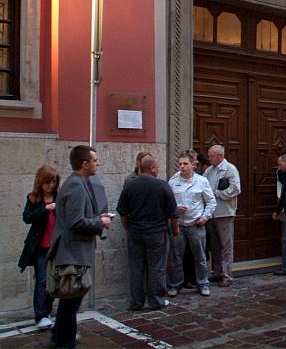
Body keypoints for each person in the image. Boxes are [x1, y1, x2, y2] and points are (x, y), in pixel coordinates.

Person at [48, 146, 111, 349]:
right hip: (72, 253)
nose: (97, 163)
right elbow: (76, 222)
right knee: (71, 303)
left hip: (72, 251)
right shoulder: (76, 186)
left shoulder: (77, 183)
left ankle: (59, 337)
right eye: (95, 160)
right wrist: (100, 221)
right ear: (84, 164)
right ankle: (65, 343)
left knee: (69, 302)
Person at [117, 156, 179, 311]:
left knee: (137, 268)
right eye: (157, 167)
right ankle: (156, 300)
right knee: (157, 267)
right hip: (157, 233)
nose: (158, 169)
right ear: (152, 169)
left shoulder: (130, 186)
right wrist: (175, 230)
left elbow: (123, 213)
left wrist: (128, 228)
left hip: (136, 232)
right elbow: (174, 213)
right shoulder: (162, 186)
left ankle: (136, 302)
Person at [167, 151, 216, 297]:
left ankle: (203, 283)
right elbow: (168, 203)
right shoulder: (173, 181)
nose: (182, 167)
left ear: (193, 165)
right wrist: (175, 209)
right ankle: (175, 284)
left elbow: (211, 202)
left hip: (196, 224)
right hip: (179, 224)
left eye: (185, 164)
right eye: (180, 164)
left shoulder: (202, 181)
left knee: (200, 256)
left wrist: (205, 217)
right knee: (176, 256)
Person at [18, 165, 60, 329]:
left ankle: (47, 311)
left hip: (57, 246)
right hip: (40, 248)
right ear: (40, 182)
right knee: (42, 280)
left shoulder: (59, 197)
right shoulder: (33, 198)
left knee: (55, 281)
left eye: (54, 181)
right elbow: (27, 218)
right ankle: (40, 316)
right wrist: (45, 209)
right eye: (48, 182)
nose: (50, 185)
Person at [203, 144, 241, 286]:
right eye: (209, 155)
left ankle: (227, 275)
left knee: (226, 245)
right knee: (215, 245)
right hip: (211, 212)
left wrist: (217, 193)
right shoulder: (208, 170)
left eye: (212, 155)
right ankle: (217, 272)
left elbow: (236, 189)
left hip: (224, 212)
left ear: (220, 156)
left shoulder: (230, 169)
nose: (210, 158)